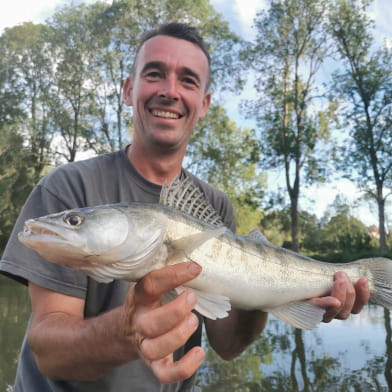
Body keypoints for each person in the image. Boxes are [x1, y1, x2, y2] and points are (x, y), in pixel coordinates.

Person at [0, 22, 370, 392]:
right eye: (154, 74)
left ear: (204, 105)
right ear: (129, 90)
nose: (170, 91)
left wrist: (268, 294)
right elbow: (49, 353)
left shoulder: (214, 204)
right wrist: (127, 330)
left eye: (188, 81)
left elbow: (228, 344)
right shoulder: (68, 187)